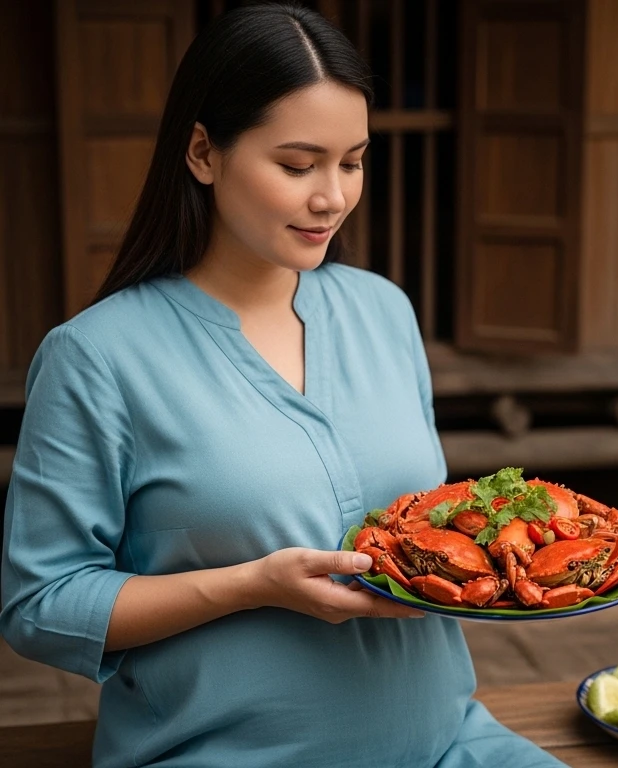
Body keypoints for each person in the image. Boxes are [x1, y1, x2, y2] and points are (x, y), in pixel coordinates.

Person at [0, 5, 564, 766]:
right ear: (203, 152)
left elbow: (430, 521)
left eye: (353, 161)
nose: (330, 196)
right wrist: (250, 584)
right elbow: (40, 605)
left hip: (449, 745)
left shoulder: (382, 311)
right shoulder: (96, 358)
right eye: (297, 165)